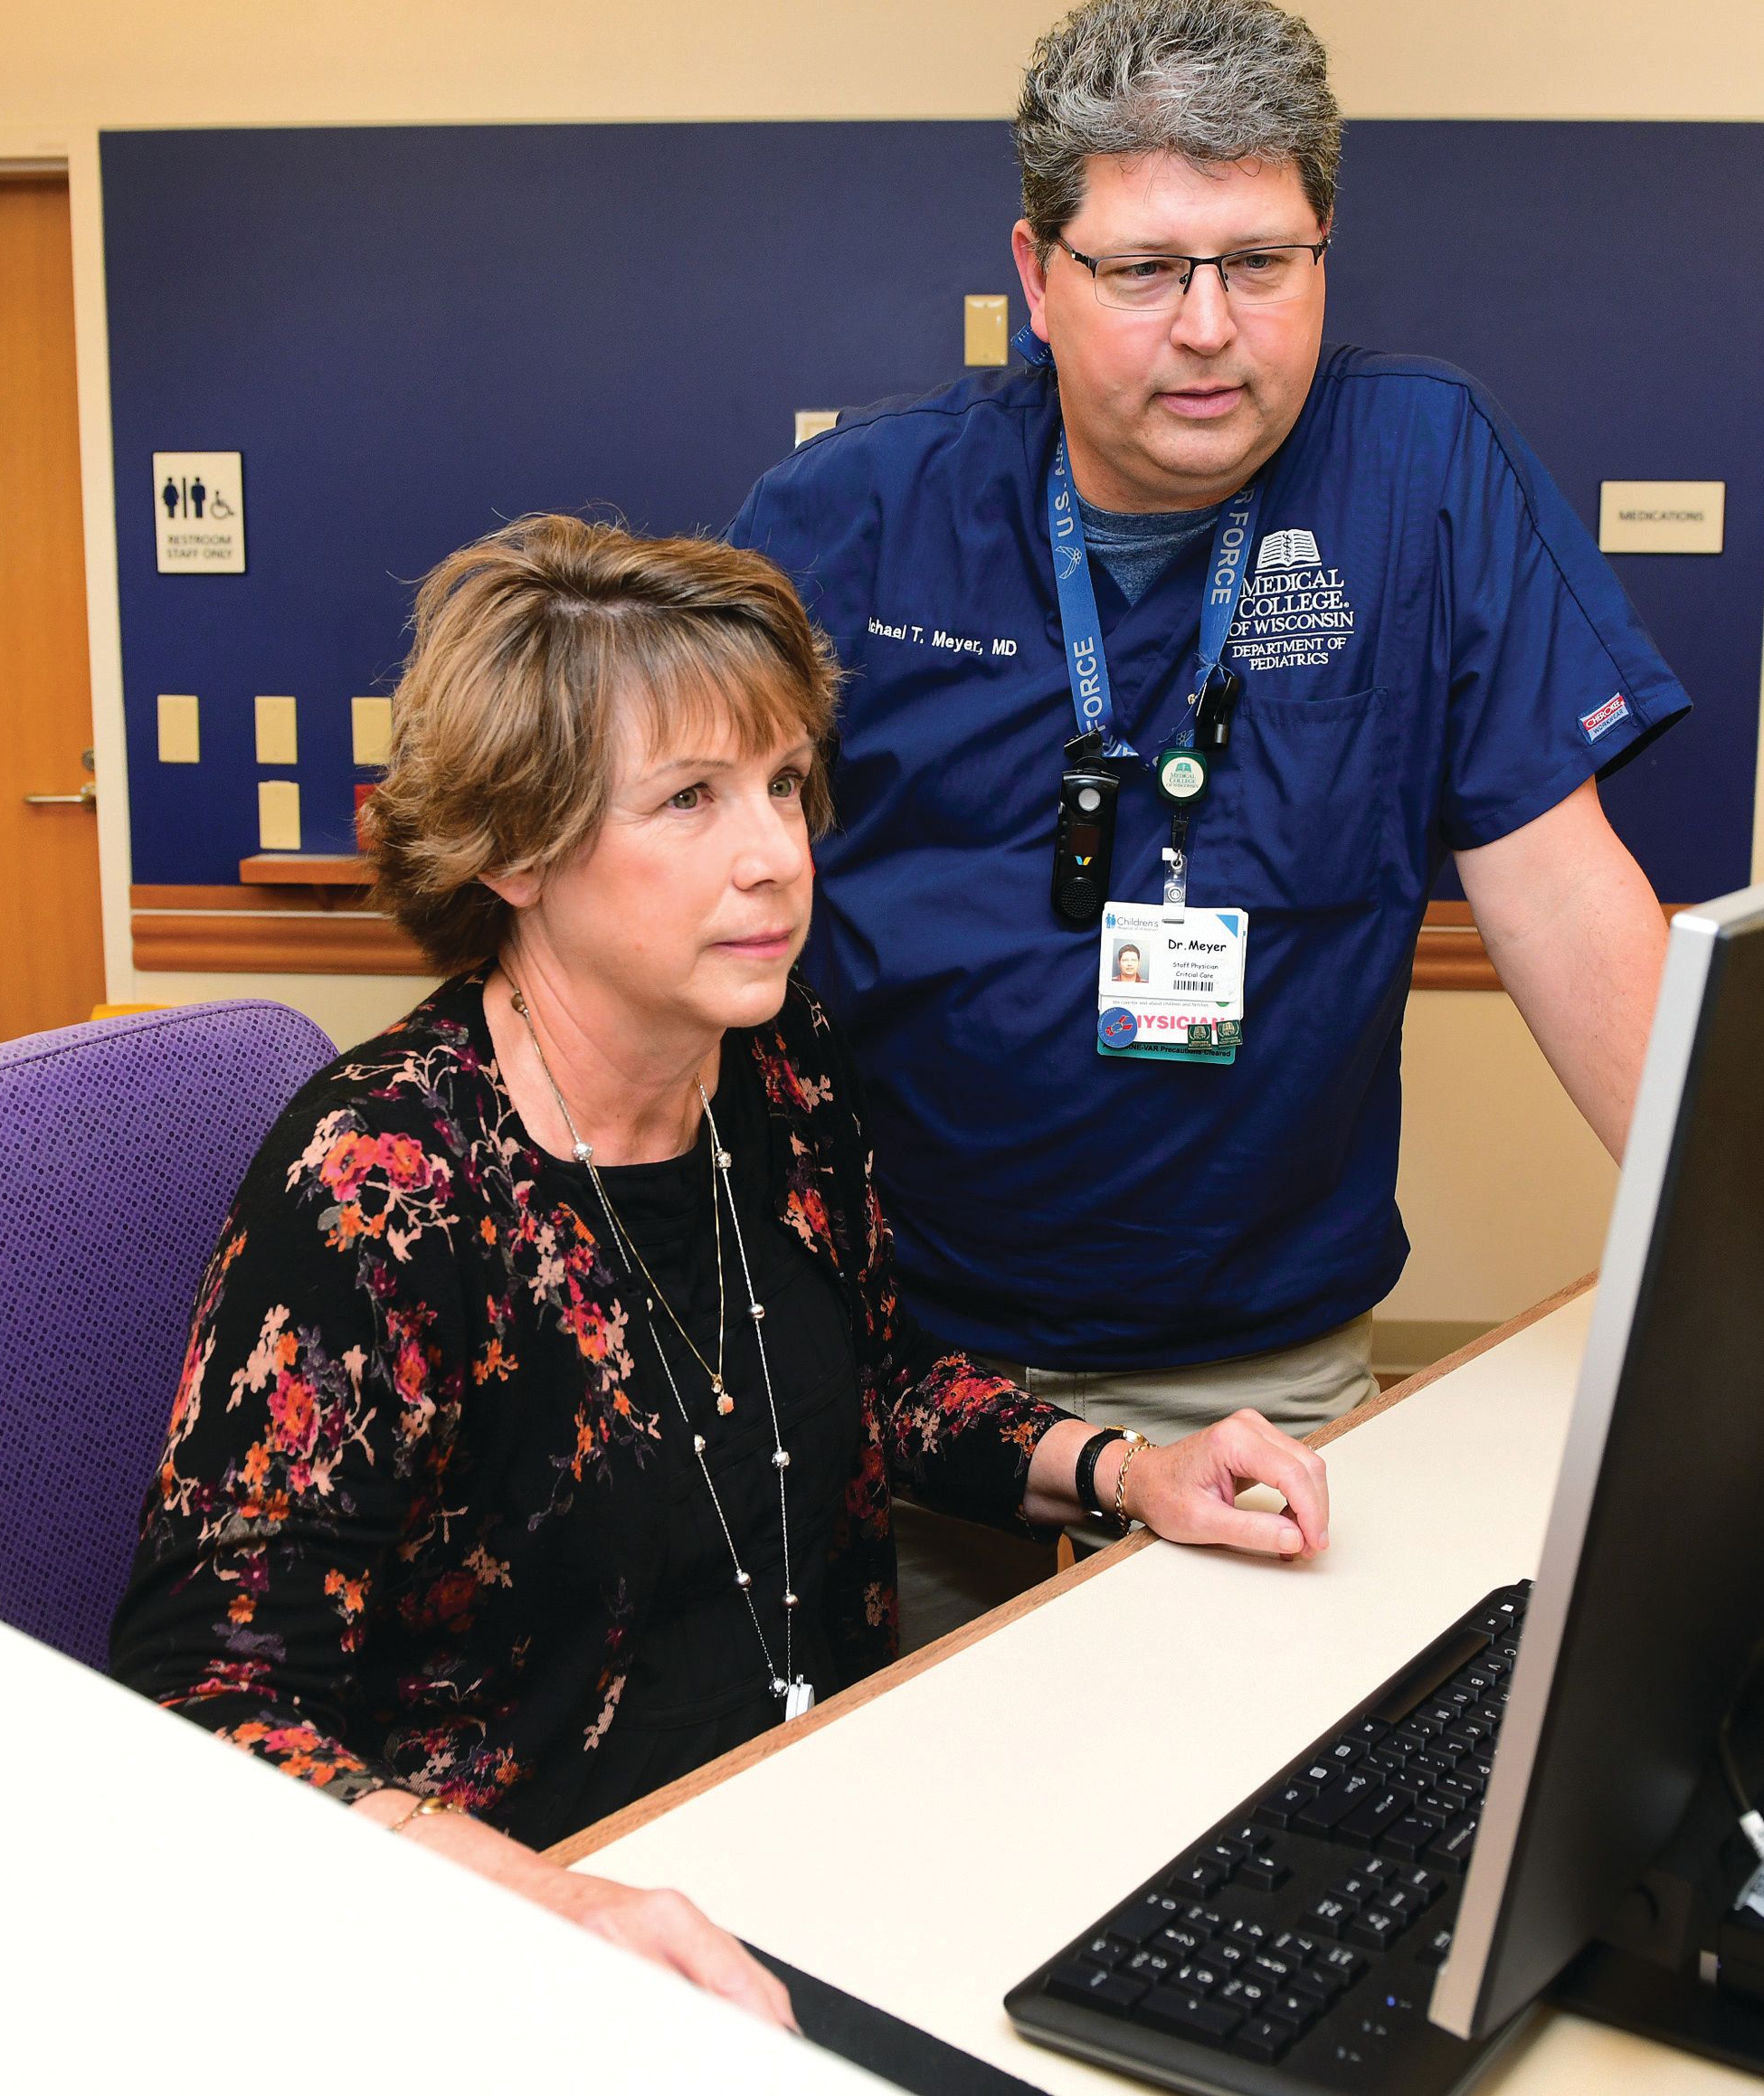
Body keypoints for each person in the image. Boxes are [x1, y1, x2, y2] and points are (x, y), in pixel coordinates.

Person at [109, 515, 1330, 2025]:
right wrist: (562, 1908)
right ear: (512, 844)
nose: (776, 854)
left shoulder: (778, 1066)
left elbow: (878, 1383)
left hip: (808, 1850)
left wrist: (1130, 1474)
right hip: (526, 1951)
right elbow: (203, 1701)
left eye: (783, 785)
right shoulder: (387, 1179)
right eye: (688, 798)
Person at [728, 0, 1689, 1637]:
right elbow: (699, 908)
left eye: (1259, 261)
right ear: (1036, 276)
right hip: (920, 1376)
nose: (1207, 323)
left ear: (1324, 255)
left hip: (1274, 1380)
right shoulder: (852, 517)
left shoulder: (1421, 471)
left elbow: (1562, 891)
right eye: (1145, 267)